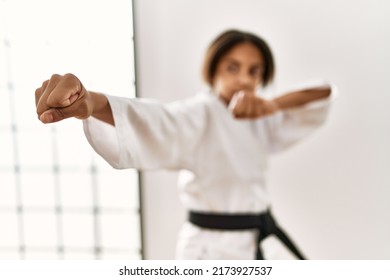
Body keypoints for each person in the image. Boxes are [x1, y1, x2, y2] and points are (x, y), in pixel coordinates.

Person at [35, 29, 336, 260]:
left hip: (257, 240)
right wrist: (95, 102)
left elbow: (322, 93)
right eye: (233, 68)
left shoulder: (264, 118)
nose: (244, 79)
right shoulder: (199, 114)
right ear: (213, 70)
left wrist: (271, 105)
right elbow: (155, 120)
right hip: (209, 250)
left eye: (254, 71)